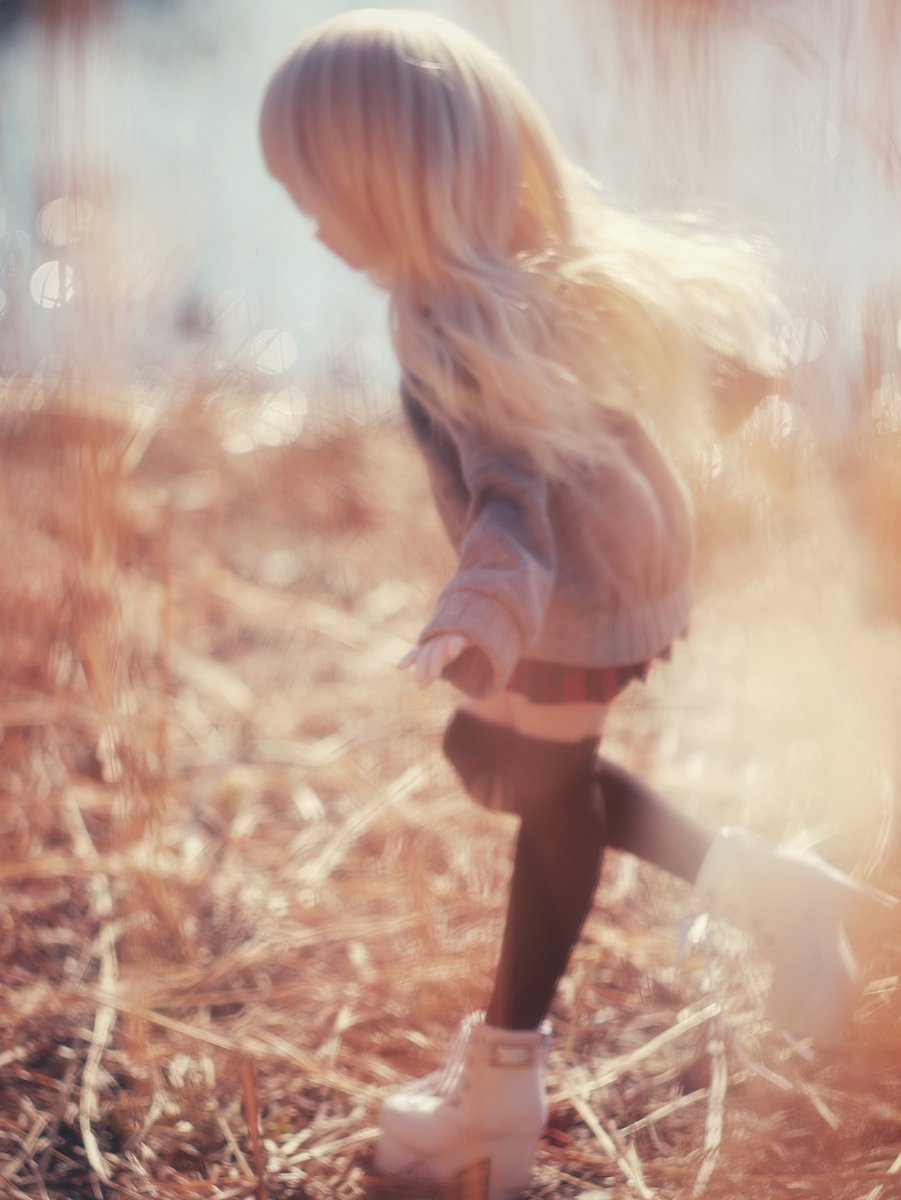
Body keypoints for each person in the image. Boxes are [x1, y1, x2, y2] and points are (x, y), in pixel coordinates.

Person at [259, 11, 897, 1198]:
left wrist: (481, 617)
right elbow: (667, 374)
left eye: (318, 196)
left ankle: (502, 1087)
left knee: (550, 799)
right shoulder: (515, 272)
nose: (307, 224)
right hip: (605, 566)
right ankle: (774, 891)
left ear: (393, 185)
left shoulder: (456, 322)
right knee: (494, 758)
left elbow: (512, 501)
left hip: (574, 589)